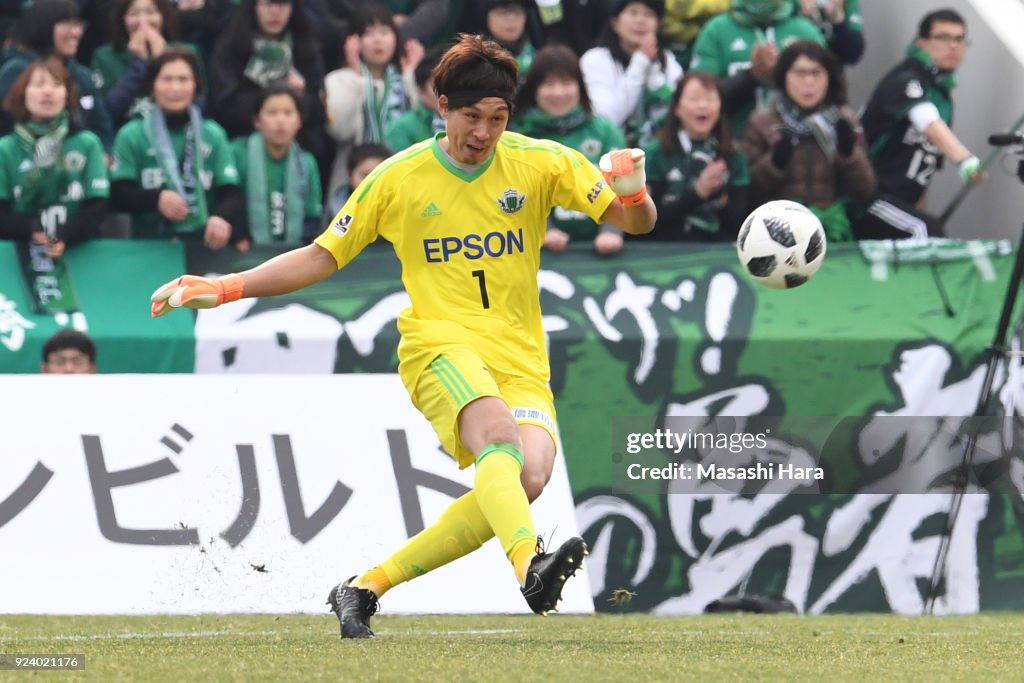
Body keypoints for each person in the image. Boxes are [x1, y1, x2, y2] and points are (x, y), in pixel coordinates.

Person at [150, 33, 656, 638]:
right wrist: (229, 286)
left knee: (527, 477)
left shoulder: (542, 162)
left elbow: (634, 222)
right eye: (472, 117)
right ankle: (531, 566)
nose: (484, 133)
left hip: (520, 353)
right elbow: (321, 255)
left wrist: (634, 191)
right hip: (438, 343)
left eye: (497, 119)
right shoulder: (400, 177)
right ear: (442, 106)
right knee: (499, 436)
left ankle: (364, 587)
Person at [855, 8, 984, 240]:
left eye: (959, 39)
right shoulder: (906, 79)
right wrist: (965, 162)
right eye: (943, 37)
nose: (953, 46)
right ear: (921, 42)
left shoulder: (943, 97)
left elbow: (926, 171)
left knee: (927, 230)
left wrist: (917, 212)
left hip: (899, 206)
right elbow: (927, 121)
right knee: (924, 231)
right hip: (868, 198)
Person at [110, 49, 243, 246]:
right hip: (149, 247)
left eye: (183, 79)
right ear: (152, 86)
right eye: (167, 79)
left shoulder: (213, 134)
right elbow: (118, 195)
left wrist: (221, 217)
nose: (175, 87)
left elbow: (231, 192)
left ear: (195, 86)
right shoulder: (132, 134)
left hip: (203, 247)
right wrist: (157, 199)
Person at [743, 40, 874, 241]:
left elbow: (866, 192)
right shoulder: (763, 121)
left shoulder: (843, 120)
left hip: (830, 228)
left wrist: (849, 155)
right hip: (774, 231)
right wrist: (775, 163)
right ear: (784, 76)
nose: (809, 82)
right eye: (800, 73)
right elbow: (746, 191)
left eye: (816, 73)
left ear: (829, 78)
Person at [513, 44, 627, 255]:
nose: (558, 92)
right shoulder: (518, 137)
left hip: (603, 251)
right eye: (548, 84)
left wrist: (612, 230)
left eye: (567, 83)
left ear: (580, 87)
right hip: (538, 253)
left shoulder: (605, 131)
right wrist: (544, 230)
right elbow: (513, 190)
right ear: (533, 90)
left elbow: (622, 183)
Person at [0, 58, 110, 254]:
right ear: (22, 93)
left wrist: (65, 234)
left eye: (56, 84)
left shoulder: (87, 143)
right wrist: (31, 229)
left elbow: (98, 206)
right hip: (15, 256)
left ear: (67, 95)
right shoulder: (5, 148)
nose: (48, 91)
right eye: (39, 84)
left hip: (81, 254)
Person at [323, 3, 421, 199]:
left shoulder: (408, 79)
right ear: (353, 41)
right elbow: (340, 130)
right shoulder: (339, 79)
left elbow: (421, 127)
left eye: (385, 32)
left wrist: (411, 78)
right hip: (354, 179)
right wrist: (358, 80)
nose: (378, 40)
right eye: (368, 33)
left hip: (402, 177)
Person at [689, 0, 824, 138]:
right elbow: (699, 100)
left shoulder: (805, 31)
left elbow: (831, 94)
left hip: (795, 148)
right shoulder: (716, 30)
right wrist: (751, 76)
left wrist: (784, 76)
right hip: (732, 145)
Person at [639, 71, 749, 241]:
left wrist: (718, 194)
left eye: (710, 99)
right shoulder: (655, 153)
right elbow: (646, 222)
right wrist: (697, 194)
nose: (703, 105)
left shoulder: (733, 154)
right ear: (676, 108)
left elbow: (738, 223)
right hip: (664, 247)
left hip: (717, 248)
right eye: (694, 99)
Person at [0, 0, 116, 148]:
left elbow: (102, 128)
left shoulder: (82, 75)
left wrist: (102, 154)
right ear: (43, 24)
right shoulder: (16, 71)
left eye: (78, 24)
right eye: (66, 24)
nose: (76, 32)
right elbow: (13, 125)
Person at [580, 0, 684, 148]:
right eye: (633, 12)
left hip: (658, 154)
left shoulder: (667, 60)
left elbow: (677, 112)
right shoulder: (595, 60)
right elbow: (606, 119)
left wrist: (653, 69)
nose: (640, 21)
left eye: (649, 15)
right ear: (615, 22)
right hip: (612, 153)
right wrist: (640, 63)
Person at [232, 86, 323, 248]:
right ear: (257, 121)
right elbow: (230, 202)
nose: (280, 120)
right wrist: (238, 236)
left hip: (293, 252)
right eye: (272, 113)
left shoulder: (306, 162)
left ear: (299, 121)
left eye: (288, 113)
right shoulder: (238, 153)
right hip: (246, 250)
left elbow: (312, 214)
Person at [90, 0, 202, 128]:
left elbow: (199, 105)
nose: (143, 21)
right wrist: (139, 64)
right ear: (122, 19)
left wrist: (162, 59)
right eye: (134, 14)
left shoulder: (187, 53)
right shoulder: (105, 56)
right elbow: (106, 113)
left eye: (151, 12)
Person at [383, 48, 444, 153]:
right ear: (420, 90)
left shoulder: (469, 120)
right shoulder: (401, 128)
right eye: (438, 86)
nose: (446, 93)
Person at [321, 140, 391, 231]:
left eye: (379, 175)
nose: (371, 182)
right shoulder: (336, 210)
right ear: (350, 176)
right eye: (364, 175)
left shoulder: (402, 208)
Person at [794, 0, 863, 66]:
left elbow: (852, 54)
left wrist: (838, 21)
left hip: (831, 70)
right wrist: (800, 15)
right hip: (794, 67)